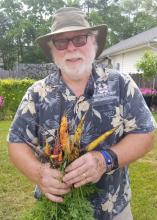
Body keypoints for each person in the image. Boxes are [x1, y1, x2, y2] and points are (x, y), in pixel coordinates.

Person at [7, 7, 156, 220]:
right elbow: (16, 142)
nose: (70, 48)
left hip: (113, 209)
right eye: (60, 42)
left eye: (80, 39)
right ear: (52, 51)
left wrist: (106, 159)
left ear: (94, 43)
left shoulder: (120, 84)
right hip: (56, 210)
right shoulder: (37, 94)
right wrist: (38, 173)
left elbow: (145, 133)